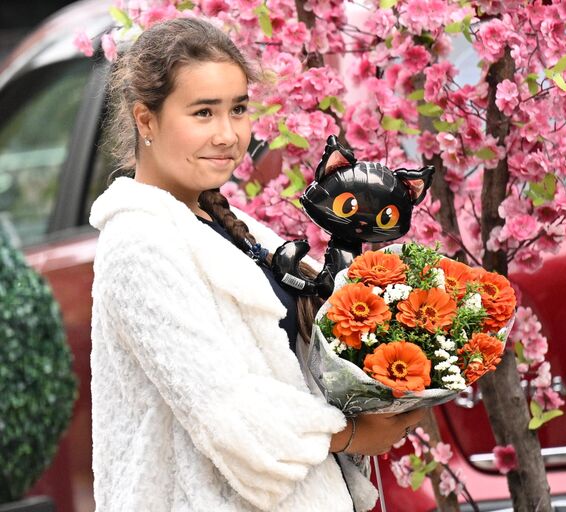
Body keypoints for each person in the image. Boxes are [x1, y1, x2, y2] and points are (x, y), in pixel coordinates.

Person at [89, 17, 425, 512]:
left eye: (238, 109)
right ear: (146, 121)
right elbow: (226, 413)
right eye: (203, 113)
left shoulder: (226, 223)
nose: (228, 134)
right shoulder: (138, 244)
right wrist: (352, 434)